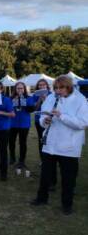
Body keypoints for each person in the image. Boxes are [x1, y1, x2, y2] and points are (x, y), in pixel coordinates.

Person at [31, 76, 88, 215]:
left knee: (68, 177)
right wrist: (44, 121)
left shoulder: (80, 100)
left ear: (68, 87)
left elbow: (82, 123)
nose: (57, 90)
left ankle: (67, 204)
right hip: (50, 143)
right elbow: (42, 116)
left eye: (60, 88)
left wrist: (62, 116)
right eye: (55, 88)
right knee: (45, 174)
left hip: (69, 146)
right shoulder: (51, 98)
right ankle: (42, 198)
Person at [32, 79, 56, 188]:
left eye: (43, 85)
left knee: (48, 140)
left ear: (47, 86)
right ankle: (43, 160)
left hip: (50, 121)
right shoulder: (36, 95)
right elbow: (35, 109)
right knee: (41, 140)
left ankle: (50, 160)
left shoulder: (52, 95)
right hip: (39, 121)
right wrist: (40, 100)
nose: (42, 86)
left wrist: (46, 99)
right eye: (40, 85)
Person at [9, 82, 35, 170]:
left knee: (22, 142)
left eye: (21, 88)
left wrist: (23, 101)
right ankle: (12, 158)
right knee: (11, 141)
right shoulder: (11, 98)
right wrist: (14, 101)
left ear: (24, 89)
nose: (20, 90)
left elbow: (31, 110)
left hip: (24, 124)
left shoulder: (29, 98)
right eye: (18, 88)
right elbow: (8, 109)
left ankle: (22, 160)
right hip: (13, 123)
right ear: (15, 89)